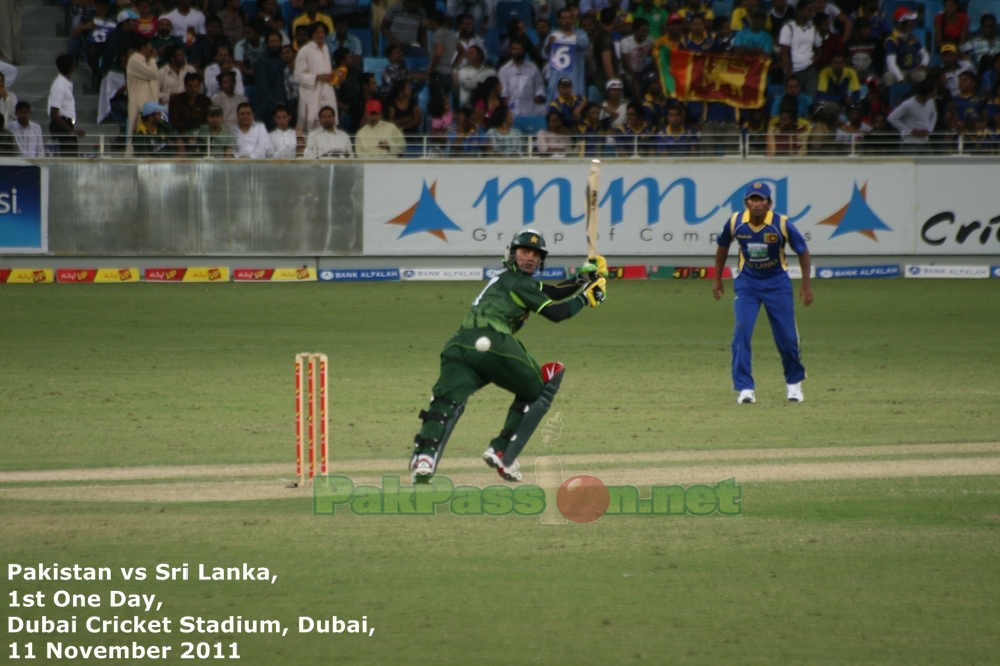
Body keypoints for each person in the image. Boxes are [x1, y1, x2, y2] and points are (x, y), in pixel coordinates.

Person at [410, 231, 607, 482]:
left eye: (535, 254)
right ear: (512, 253)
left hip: (458, 346)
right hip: (494, 344)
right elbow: (556, 313)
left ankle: (424, 459)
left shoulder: (510, 280)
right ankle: (502, 450)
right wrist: (586, 298)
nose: (529, 258)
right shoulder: (519, 282)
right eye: (524, 252)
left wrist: (582, 279)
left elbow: (553, 292)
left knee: (446, 399)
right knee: (541, 386)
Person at [712, 182, 813, 405]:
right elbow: (722, 247)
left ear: (769, 203)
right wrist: (717, 278)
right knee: (742, 331)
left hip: (777, 284)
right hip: (748, 284)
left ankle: (794, 384)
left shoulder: (782, 224)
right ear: (746, 202)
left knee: (787, 337)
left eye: (761, 200)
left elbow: (803, 251)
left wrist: (806, 286)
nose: (757, 204)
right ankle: (745, 388)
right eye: (753, 199)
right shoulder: (736, 222)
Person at [294, 23, 338, 132]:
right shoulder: (304, 50)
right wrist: (318, 77)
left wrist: (336, 78)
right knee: (312, 127)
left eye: (323, 32)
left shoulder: (326, 48)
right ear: (312, 34)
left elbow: (327, 72)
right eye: (317, 32)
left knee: (330, 124)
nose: (320, 35)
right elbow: (298, 76)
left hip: (327, 92)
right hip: (311, 93)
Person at [545, 7, 591, 100]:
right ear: (559, 20)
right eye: (564, 18)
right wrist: (550, 43)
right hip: (557, 78)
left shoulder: (580, 34)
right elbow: (544, 54)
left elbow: (585, 44)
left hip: (576, 79)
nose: (567, 21)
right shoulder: (553, 35)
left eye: (569, 18)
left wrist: (572, 37)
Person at [780, 0, 822, 97]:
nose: (811, 13)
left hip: (810, 72)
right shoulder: (788, 27)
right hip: (793, 72)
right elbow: (784, 54)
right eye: (808, 10)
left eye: (812, 11)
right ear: (799, 11)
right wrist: (790, 75)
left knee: (810, 101)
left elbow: (819, 49)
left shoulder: (813, 28)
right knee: (791, 102)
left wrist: (815, 59)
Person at [499, 37, 546, 116]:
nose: (517, 51)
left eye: (520, 49)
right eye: (515, 49)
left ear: (523, 50)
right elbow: (503, 91)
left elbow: (539, 86)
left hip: (530, 103)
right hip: (512, 105)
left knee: (543, 110)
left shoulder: (533, 67)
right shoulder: (504, 70)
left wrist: (539, 96)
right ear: (511, 50)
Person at [48, 55, 85, 155]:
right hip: (61, 125)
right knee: (68, 156)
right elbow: (54, 113)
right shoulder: (60, 86)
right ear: (72, 67)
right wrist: (69, 131)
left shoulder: (65, 83)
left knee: (71, 154)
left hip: (66, 124)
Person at [888, 78, 938, 150]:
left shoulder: (931, 101)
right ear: (929, 93)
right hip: (910, 143)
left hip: (925, 142)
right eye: (935, 90)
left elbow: (934, 114)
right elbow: (892, 118)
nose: (936, 92)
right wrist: (909, 131)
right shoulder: (908, 104)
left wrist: (929, 129)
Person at [883, 8, 928, 85]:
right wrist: (900, 78)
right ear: (901, 23)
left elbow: (925, 54)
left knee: (921, 75)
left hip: (912, 70)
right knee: (888, 76)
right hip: (899, 70)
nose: (910, 24)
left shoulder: (912, 37)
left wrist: (923, 65)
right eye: (908, 22)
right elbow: (891, 62)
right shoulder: (892, 40)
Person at [254, 31, 287, 129]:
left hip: (284, 104)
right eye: (272, 42)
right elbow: (262, 87)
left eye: (277, 41)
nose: (274, 44)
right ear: (267, 43)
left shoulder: (284, 59)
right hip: (267, 107)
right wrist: (274, 107)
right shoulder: (261, 61)